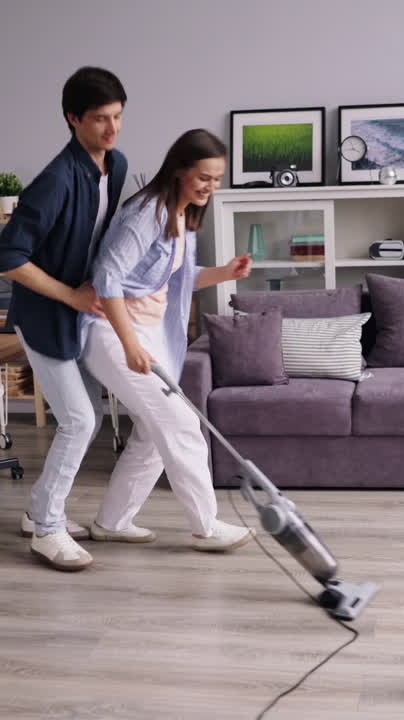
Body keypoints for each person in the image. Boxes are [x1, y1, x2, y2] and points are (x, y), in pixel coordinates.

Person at [81, 128, 255, 552]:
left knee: (152, 432)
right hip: (111, 332)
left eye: (217, 180)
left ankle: (112, 521)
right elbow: (107, 277)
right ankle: (207, 527)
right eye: (204, 178)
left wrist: (225, 272)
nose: (211, 188)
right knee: (180, 424)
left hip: (144, 332)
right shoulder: (148, 212)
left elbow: (177, 278)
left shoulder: (183, 215)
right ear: (179, 171)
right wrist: (129, 344)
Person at [0, 67, 127, 571]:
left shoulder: (115, 163)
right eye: (99, 120)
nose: (111, 130)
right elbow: (4, 255)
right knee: (80, 419)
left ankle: (38, 511)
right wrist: (69, 294)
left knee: (83, 419)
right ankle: (47, 530)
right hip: (44, 313)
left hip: (78, 310)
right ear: (73, 119)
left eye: (117, 117)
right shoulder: (54, 180)